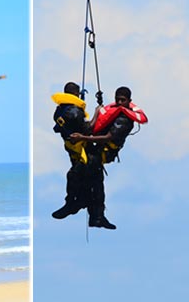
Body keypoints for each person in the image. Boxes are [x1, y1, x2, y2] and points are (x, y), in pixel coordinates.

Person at [69, 86, 148, 229]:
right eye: (117, 99)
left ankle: (83, 206)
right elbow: (103, 121)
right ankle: (94, 216)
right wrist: (100, 106)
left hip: (106, 151)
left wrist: (83, 137)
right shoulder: (115, 110)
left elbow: (108, 137)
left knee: (87, 175)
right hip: (95, 148)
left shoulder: (125, 119)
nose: (119, 102)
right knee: (92, 179)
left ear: (129, 101)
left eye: (122, 100)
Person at [51, 82, 98, 220]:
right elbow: (88, 129)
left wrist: (80, 100)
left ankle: (78, 202)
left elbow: (71, 119)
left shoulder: (59, 110)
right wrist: (96, 112)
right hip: (80, 148)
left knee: (79, 174)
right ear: (76, 95)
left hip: (71, 148)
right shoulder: (76, 112)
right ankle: (73, 203)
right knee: (74, 175)